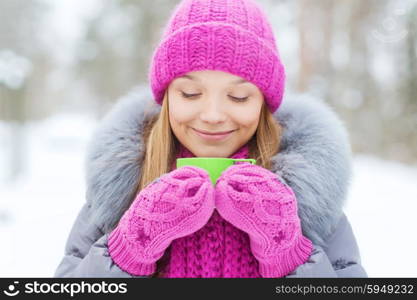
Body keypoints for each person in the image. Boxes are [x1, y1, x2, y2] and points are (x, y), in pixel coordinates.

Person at [54, 0, 367, 278]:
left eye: (238, 96)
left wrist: (289, 255)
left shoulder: (311, 198)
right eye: (190, 93)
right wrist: (127, 252)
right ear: (167, 99)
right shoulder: (117, 191)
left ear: (262, 104)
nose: (213, 115)